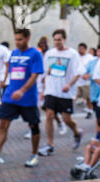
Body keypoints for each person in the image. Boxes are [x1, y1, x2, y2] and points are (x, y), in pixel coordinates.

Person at [0, 29, 43, 169]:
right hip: (10, 97)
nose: (17, 42)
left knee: (33, 126)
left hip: (27, 98)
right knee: (3, 125)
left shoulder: (35, 54)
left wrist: (22, 90)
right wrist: (7, 89)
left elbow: (34, 75)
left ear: (27, 38)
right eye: (16, 39)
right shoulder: (13, 53)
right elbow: (11, 73)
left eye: (20, 39)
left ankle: (34, 155)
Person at [38, 29, 84, 157]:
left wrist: (69, 84)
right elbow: (46, 71)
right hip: (51, 90)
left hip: (65, 93)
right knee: (49, 115)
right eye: (55, 40)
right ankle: (49, 145)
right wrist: (43, 88)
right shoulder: (49, 54)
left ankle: (77, 132)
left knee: (66, 119)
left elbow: (78, 73)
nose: (57, 42)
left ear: (64, 39)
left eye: (59, 39)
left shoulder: (72, 54)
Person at [76, 43, 95, 118]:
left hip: (86, 82)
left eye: (82, 48)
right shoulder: (76, 56)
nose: (80, 50)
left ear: (85, 49)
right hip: (77, 81)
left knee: (88, 98)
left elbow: (94, 68)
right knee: (76, 96)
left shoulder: (90, 57)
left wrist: (88, 75)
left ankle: (90, 111)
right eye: (79, 48)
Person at [83, 45, 100, 135]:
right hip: (95, 94)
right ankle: (97, 137)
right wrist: (88, 75)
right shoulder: (93, 62)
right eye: (98, 51)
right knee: (98, 118)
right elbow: (85, 73)